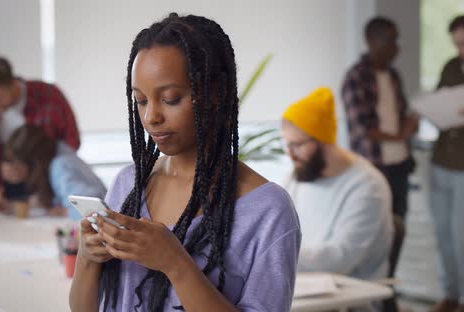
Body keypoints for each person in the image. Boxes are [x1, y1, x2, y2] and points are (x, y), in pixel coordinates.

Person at [69, 13, 301, 312]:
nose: (151, 116)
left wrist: (175, 263)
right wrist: (87, 259)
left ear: (215, 93)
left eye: (171, 98)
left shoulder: (269, 210)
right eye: (140, 101)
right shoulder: (130, 185)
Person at [282, 87, 393, 311]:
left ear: (323, 141)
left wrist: (277, 254)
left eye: (298, 145)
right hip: (300, 291)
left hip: (349, 301)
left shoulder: (367, 186)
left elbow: (340, 259)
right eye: (287, 144)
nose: (290, 154)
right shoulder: (299, 176)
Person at [341, 17, 418, 312]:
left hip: (399, 165)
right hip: (374, 168)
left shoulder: (394, 76)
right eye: (392, 40)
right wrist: (399, 133)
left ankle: (386, 293)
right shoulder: (356, 77)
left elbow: (400, 115)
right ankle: (370, 298)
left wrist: (408, 127)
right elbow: (362, 127)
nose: (397, 47)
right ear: (373, 41)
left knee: (397, 231)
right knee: (376, 234)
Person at [0, 56, 81, 197]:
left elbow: (71, 143)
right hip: (2, 189)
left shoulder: (49, 95)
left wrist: (35, 169)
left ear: (13, 83)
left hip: (49, 187)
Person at [428, 15, 464, 312]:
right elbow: (439, 102)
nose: (460, 50)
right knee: (442, 233)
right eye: (456, 45)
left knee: (461, 234)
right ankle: (449, 294)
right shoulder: (451, 67)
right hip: (441, 160)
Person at [1, 125, 107, 218]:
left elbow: (93, 210)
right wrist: (11, 206)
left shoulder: (61, 166)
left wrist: (65, 212)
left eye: (19, 164)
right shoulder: (59, 152)